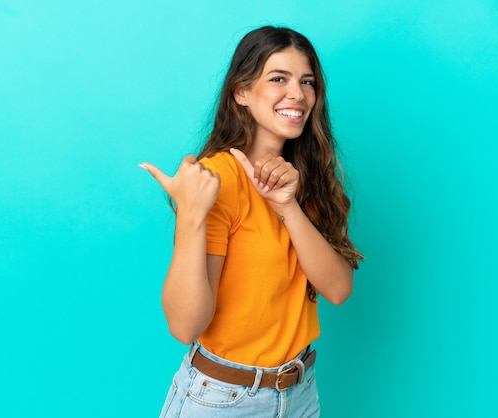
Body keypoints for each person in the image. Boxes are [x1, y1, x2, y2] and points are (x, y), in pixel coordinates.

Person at [139, 25, 363, 417]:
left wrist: (287, 206)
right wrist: (191, 216)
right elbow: (185, 326)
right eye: (279, 78)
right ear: (241, 92)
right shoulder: (219, 179)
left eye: (307, 81)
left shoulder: (301, 177)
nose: (298, 94)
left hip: (299, 393)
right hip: (225, 399)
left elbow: (339, 289)